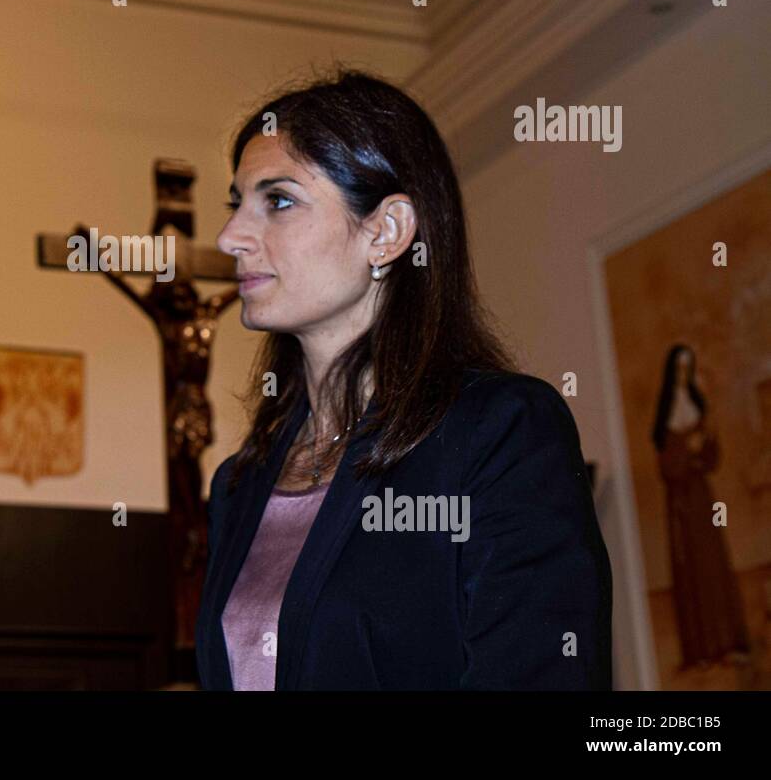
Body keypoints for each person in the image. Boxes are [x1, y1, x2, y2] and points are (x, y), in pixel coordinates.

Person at [196, 70, 613, 690]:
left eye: (277, 200)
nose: (231, 236)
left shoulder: (500, 434)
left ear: (387, 232)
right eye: (237, 204)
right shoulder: (240, 484)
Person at [653, 343, 750, 670]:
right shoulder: (667, 411)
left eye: (688, 367)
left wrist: (706, 442)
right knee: (692, 568)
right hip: (681, 503)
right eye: (679, 368)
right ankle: (702, 651)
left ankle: (727, 644)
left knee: (713, 564)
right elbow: (666, 467)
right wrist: (685, 451)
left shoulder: (697, 406)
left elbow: (712, 458)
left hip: (702, 496)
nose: (684, 374)